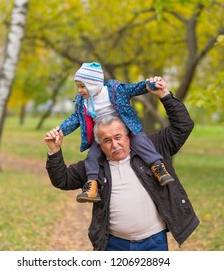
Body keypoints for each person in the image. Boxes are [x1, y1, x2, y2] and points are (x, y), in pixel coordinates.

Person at [44, 77, 200, 251]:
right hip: (113, 245)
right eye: (106, 140)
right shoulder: (94, 164)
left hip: (154, 243)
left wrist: (165, 96)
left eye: (118, 137)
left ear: (128, 134)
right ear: (98, 144)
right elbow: (62, 180)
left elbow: (182, 127)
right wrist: (54, 151)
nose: (115, 145)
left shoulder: (153, 146)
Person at [44, 62, 174, 204]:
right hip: (102, 135)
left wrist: (151, 85)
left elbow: (133, 89)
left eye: (82, 86)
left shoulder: (114, 90)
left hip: (126, 130)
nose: (80, 91)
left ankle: (158, 168)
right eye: (78, 87)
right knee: (92, 156)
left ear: (93, 84)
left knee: (142, 142)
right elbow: (75, 118)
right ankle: (92, 185)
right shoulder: (84, 101)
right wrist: (59, 130)